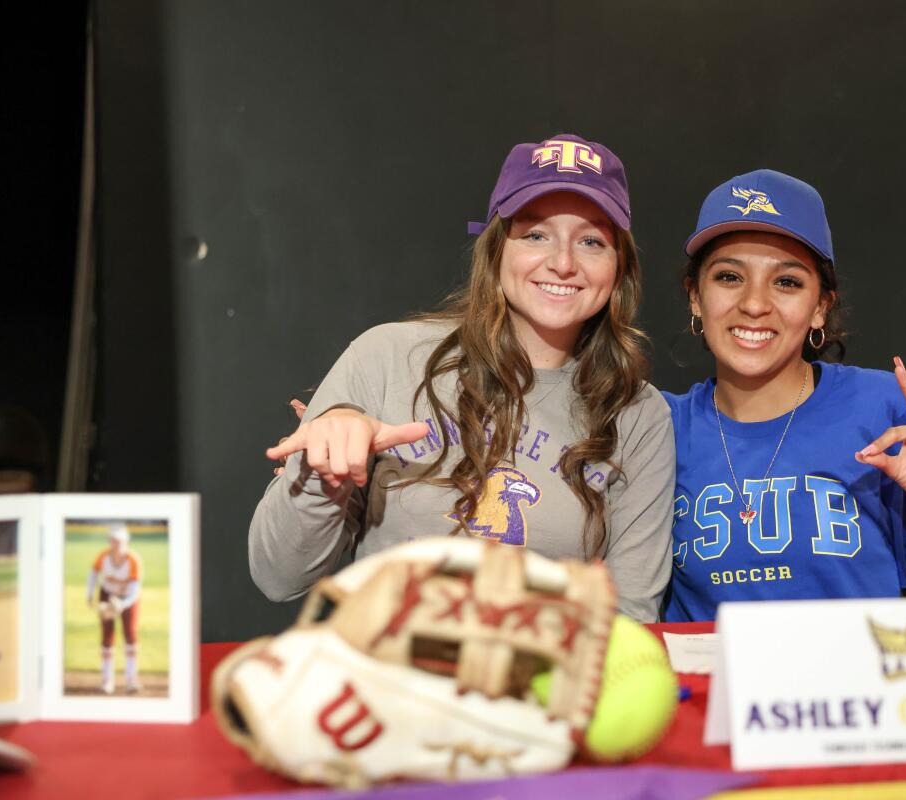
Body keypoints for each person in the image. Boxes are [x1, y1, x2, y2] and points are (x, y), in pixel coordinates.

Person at [250, 135, 675, 623]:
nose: (563, 262)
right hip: (388, 679)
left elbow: (631, 616)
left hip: (536, 686)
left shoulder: (638, 413)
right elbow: (277, 577)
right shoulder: (385, 358)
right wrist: (327, 479)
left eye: (591, 241)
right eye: (536, 234)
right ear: (496, 250)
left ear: (619, 269)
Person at [662, 169, 906, 621]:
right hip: (714, 689)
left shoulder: (878, 407)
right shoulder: (658, 425)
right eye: (729, 276)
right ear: (695, 297)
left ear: (820, 307)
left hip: (851, 688)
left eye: (786, 282)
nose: (754, 303)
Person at [86, 524, 142, 694]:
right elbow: (94, 573)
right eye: (113, 540)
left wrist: (121, 605)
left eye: (120, 541)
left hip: (127, 598)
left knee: (130, 633)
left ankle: (131, 680)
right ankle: (107, 680)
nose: (116, 544)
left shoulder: (133, 560)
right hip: (108, 594)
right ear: (109, 541)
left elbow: (135, 591)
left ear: (126, 542)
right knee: (107, 635)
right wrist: (90, 594)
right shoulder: (103, 556)